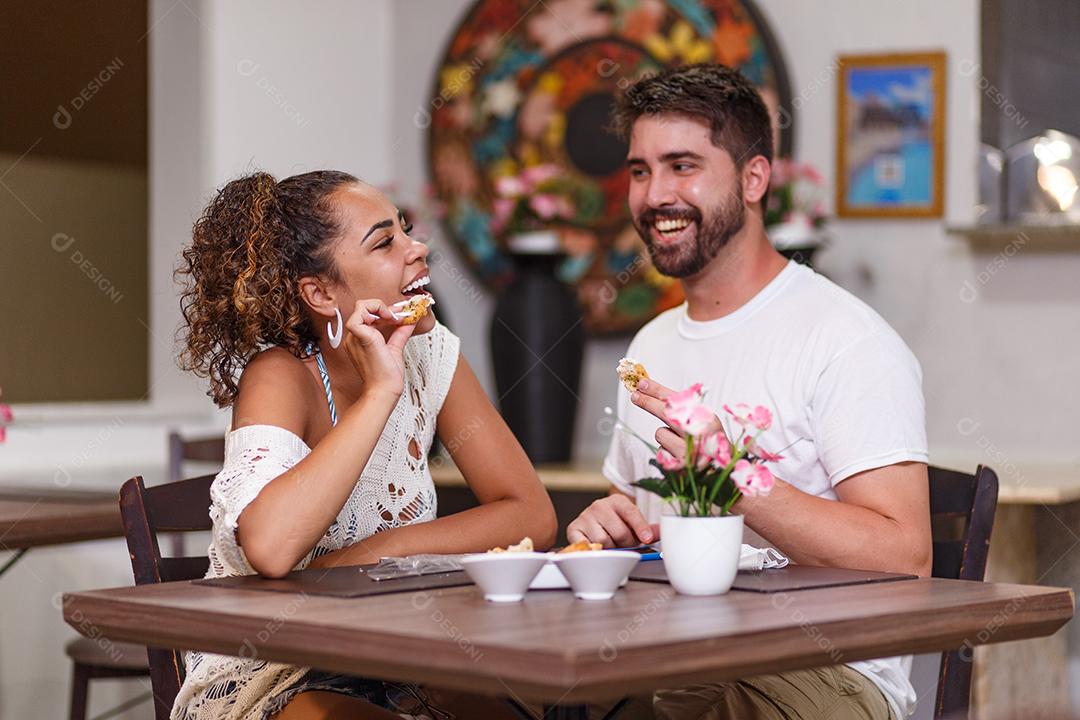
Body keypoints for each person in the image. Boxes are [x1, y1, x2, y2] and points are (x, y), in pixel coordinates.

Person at [567, 65, 931, 720]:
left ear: (755, 178)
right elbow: (643, 521)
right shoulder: (648, 348)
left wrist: (734, 477)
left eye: (683, 166)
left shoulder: (846, 339)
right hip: (678, 656)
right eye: (642, 170)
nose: (655, 195)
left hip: (826, 672)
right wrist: (609, 528)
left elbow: (904, 557)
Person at [174, 170, 556, 720]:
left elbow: (531, 514)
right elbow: (272, 548)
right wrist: (382, 390)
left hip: (399, 656)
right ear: (321, 293)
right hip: (279, 670)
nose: (417, 249)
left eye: (406, 231)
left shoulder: (431, 353)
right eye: (385, 242)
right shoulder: (281, 376)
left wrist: (375, 555)